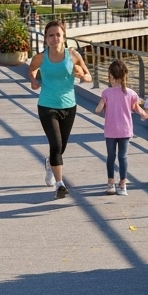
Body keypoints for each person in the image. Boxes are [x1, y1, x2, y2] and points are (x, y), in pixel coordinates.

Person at [28, 19, 92, 199]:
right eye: (51, 35)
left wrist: (82, 75)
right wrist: (34, 81)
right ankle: (60, 184)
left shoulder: (73, 55)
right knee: (55, 144)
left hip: (69, 106)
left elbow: (89, 76)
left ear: (64, 37)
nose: (54, 38)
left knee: (61, 147)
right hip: (47, 105)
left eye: (58, 35)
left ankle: (50, 163)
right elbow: (31, 69)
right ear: (45, 38)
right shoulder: (41, 57)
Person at [95, 60, 148, 196]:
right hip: (125, 130)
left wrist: (100, 108)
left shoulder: (106, 93)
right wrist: (145, 114)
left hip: (110, 131)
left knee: (111, 157)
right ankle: (123, 184)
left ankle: (110, 183)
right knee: (123, 157)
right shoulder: (131, 93)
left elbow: (98, 109)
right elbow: (137, 109)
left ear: (111, 76)